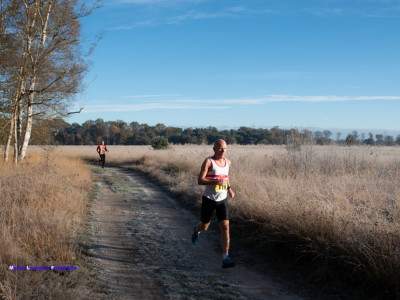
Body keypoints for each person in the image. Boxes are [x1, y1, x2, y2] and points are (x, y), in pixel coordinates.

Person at [192, 139, 236, 268]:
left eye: (225, 149)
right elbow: (200, 180)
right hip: (209, 199)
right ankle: (197, 229)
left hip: (222, 199)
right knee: (205, 226)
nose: (223, 151)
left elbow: (226, 178)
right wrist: (215, 183)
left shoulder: (228, 162)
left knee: (225, 228)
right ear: (214, 149)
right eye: (220, 148)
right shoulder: (208, 161)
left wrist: (229, 189)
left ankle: (225, 258)